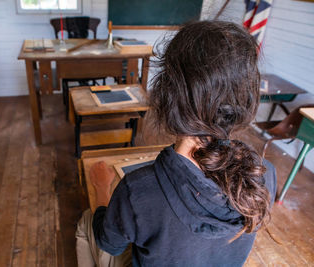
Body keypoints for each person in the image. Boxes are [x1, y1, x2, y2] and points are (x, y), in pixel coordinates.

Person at [76, 20, 277, 267]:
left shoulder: (138, 190)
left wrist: (102, 189)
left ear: (167, 94)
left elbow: (109, 243)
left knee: (88, 220)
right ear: (247, 97)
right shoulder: (265, 174)